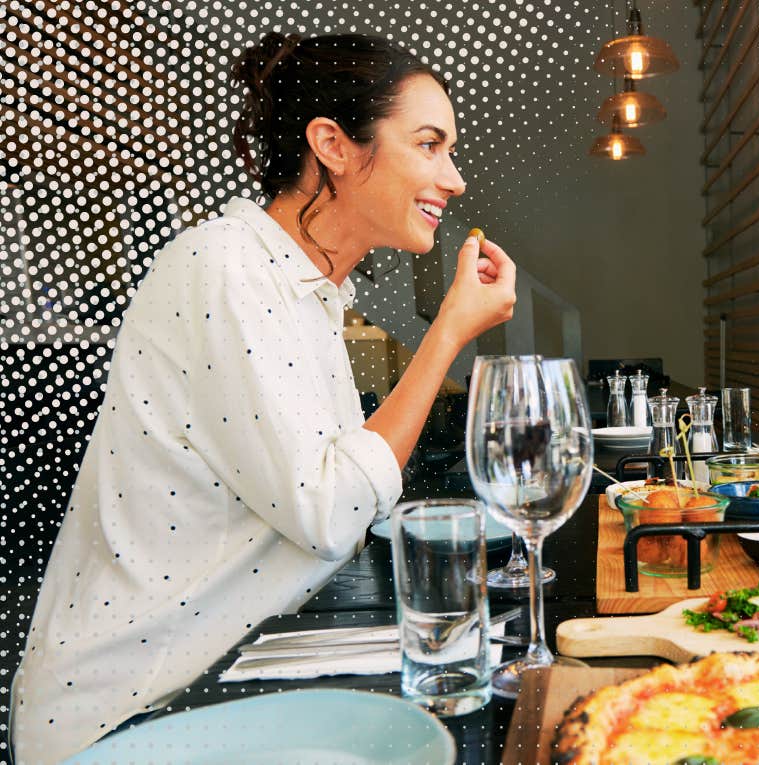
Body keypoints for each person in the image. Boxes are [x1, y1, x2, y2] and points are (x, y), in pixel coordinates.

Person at [10, 32, 517, 763]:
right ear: (333, 145)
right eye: (431, 145)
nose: (455, 177)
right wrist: (448, 334)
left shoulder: (305, 291)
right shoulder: (224, 269)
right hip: (126, 714)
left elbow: (349, 495)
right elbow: (331, 511)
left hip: (221, 676)